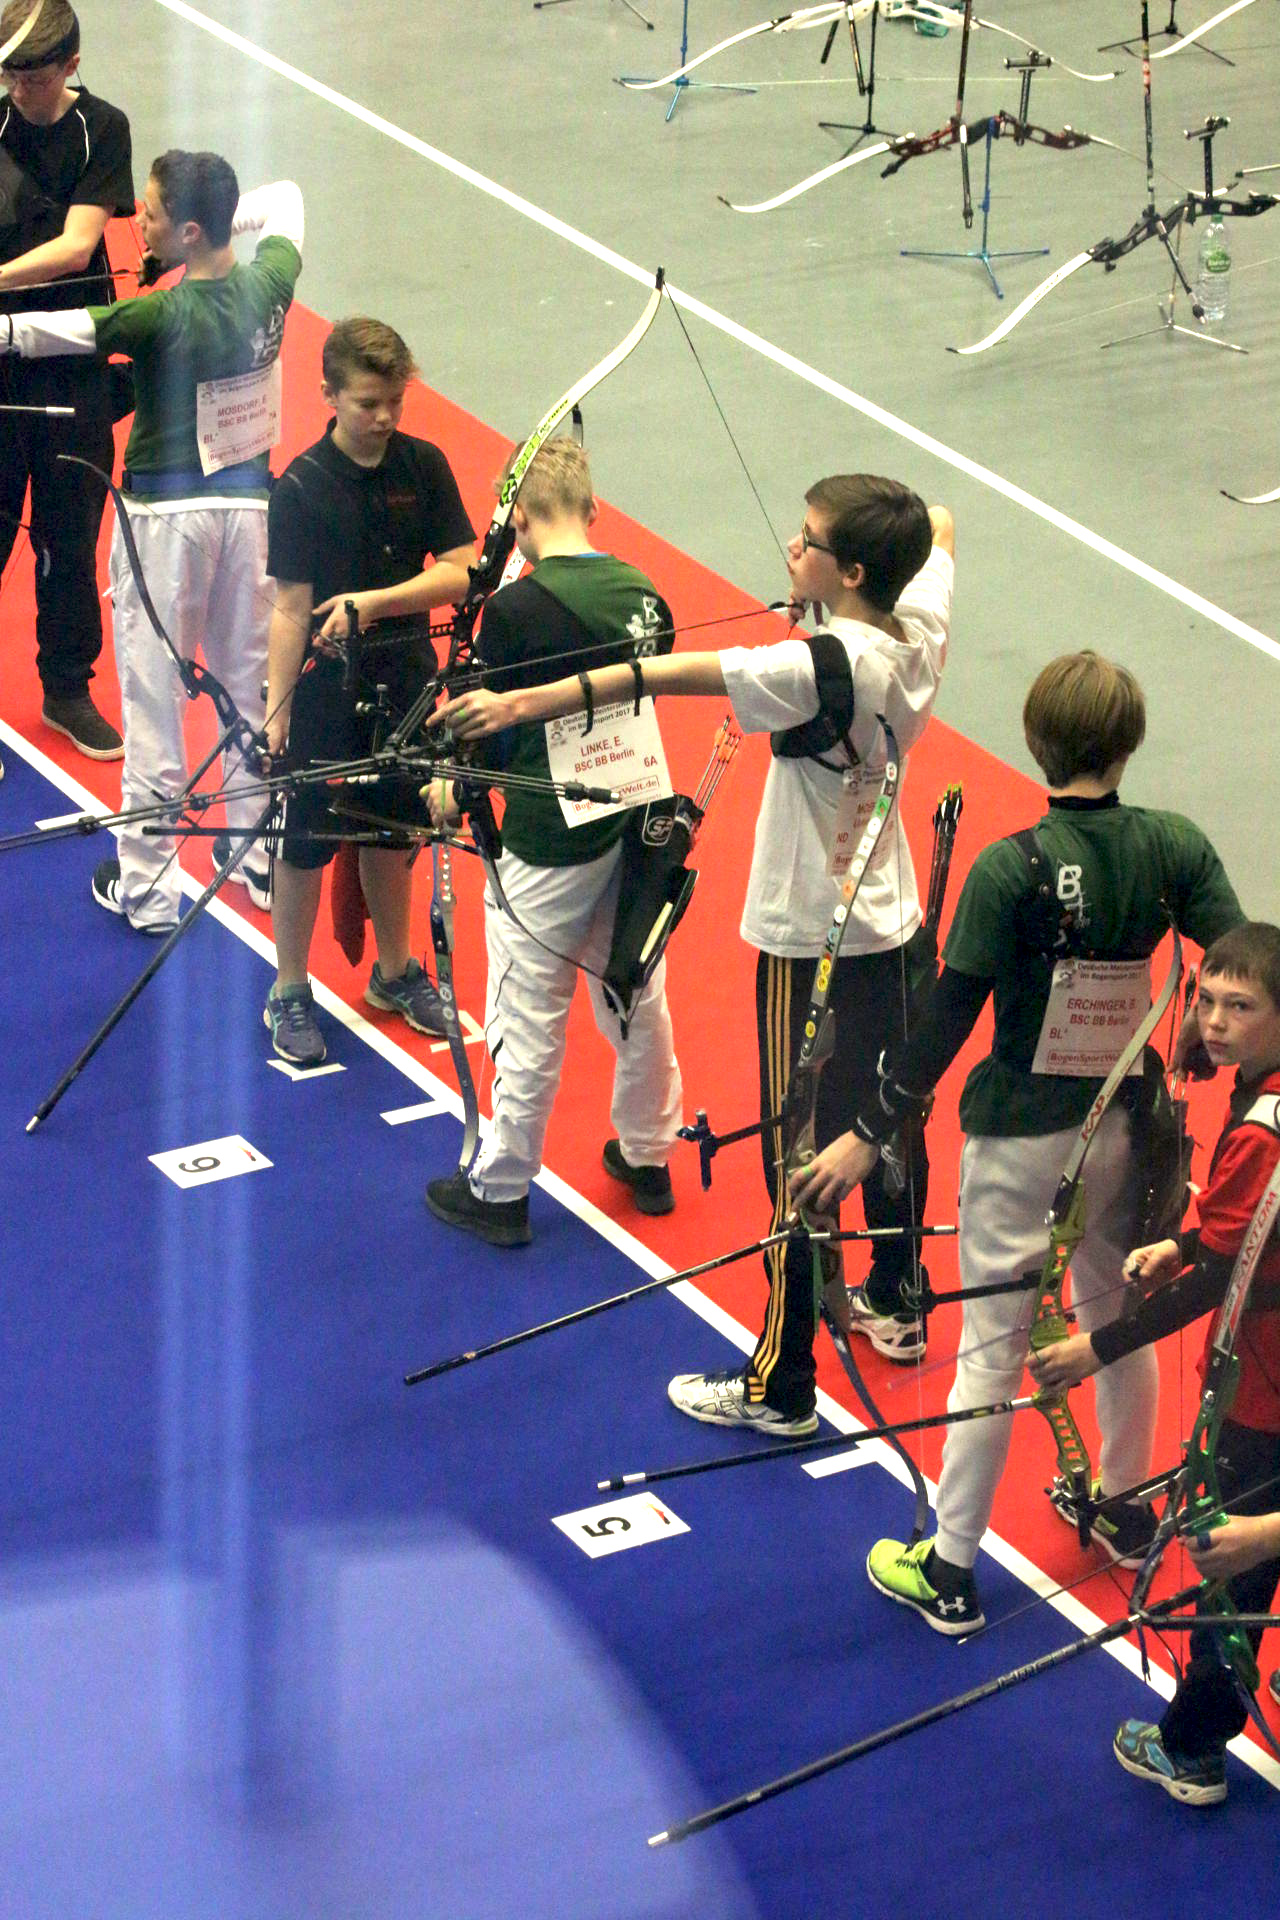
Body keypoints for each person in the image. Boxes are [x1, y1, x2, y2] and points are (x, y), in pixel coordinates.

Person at [435, 475, 954, 1418]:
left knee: (796, 1151)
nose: (792, 548)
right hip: (892, 922)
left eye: (809, 541)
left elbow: (660, 677)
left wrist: (520, 706)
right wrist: (828, 586)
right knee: (884, 1116)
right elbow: (939, 529)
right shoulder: (918, 629)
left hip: (807, 940)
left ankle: (781, 1382)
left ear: (854, 570)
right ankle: (898, 1297)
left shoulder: (812, 668)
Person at [791, 651, 1245, 1629]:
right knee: (1113, 1309)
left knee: (991, 1352)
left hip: (1019, 1141)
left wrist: (868, 1133)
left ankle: (950, 1568)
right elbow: (1245, 956)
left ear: (1037, 744)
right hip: (1127, 1128)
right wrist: (1211, 1036)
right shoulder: (1172, 845)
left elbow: (945, 1020)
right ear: (1127, 744)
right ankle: (1124, 1508)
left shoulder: (1010, 868)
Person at [4, 148, 304, 933]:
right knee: (248, 686)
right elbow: (286, 198)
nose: (141, 220)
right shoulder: (271, 280)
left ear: (191, 230)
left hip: (167, 526)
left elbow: (51, 332)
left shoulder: (159, 315)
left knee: (152, 700)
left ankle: (147, 889)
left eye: (155, 213)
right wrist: (208, 228)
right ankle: (257, 859)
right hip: (252, 516)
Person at [1029, 921, 1280, 1807]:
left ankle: (1192, 1749)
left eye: (1241, 1007)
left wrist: (1093, 1347)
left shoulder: (1261, 1132)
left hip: (1264, 1392)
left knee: (1231, 1568)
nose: (1214, 1021)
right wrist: (1183, 1242)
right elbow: (1246, 1240)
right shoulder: (1264, 1103)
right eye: (1207, 1000)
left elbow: (1224, 1280)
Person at [423, 438, 682, 1248]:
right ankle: (649, 1153)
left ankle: (500, 1188)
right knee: (632, 980)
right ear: (593, 508)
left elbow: (494, 728)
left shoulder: (517, 611)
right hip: (634, 812)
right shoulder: (646, 595)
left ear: (521, 519)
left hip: (550, 832)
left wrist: (455, 784)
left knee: (527, 1004)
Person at [262, 315, 475, 1067]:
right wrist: (277, 712)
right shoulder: (300, 486)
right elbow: (291, 607)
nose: (385, 417)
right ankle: (289, 988)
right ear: (329, 395)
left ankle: (394, 972)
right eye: (368, 403)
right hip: (325, 690)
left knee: (393, 829)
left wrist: (373, 603)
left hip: (406, 680)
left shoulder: (424, 465)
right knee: (305, 837)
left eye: (395, 402)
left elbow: (463, 571)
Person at [0, 0, 133, 759]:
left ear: (72, 66)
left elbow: (78, 247)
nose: (20, 90)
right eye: (10, 76)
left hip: (74, 366)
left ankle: (66, 690)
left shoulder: (101, 129)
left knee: (69, 536)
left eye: (36, 76)